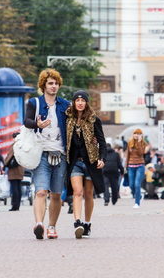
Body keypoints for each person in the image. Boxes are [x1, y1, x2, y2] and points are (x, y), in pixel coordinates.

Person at [24, 68, 70, 240]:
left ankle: (52, 226)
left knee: (56, 194)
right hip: (41, 153)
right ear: (43, 85)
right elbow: (27, 121)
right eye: (50, 83)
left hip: (60, 153)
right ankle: (39, 224)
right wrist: (37, 124)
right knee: (41, 191)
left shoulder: (65, 105)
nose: (54, 86)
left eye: (56, 83)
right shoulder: (34, 103)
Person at [66, 90, 106, 238]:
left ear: (86, 103)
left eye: (83, 101)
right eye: (77, 100)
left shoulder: (94, 119)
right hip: (75, 162)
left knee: (89, 194)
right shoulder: (68, 118)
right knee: (77, 192)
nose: (80, 103)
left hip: (91, 162)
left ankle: (87, 223)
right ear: (74, 102)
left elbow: (102, 141)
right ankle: (77, 222)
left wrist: (102, 158)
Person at [126, 128, 149, 208]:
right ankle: (138, 196)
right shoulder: (129, 142)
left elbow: (141, 153)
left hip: (140, 165)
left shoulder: (143, 143)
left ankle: (137, 203)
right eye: (135, 133)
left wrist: (139, 142)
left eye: (138, 134)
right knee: (131, 185)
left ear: (141, 135)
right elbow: (127, 155)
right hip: (131, 166)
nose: (136, 135)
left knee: (137, 184)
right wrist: (126, 166)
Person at [4, 132, 25, 211]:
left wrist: (5, 164)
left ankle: (14, 206)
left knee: (14, 188)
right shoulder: (23, 145)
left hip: (14, 169)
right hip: (20, 168)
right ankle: (17, 205)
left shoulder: (15, 145)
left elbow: (9, 156)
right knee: (18, 188)